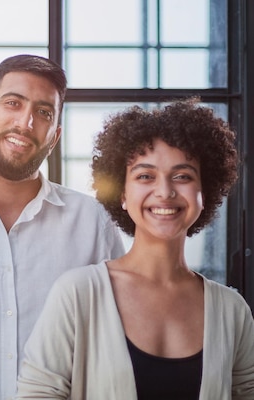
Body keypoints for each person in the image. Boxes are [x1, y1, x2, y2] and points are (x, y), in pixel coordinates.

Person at [16, 99, 254, 399]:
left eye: (182, 176)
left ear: (203, 192)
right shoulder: (78, 294)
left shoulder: (232, 311)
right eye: (145, 176)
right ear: (123, 193)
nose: (165, 191)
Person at [0, 54, 125, 400]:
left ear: (55, 136)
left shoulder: (93, 223)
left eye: (44, 113)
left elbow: (115, 343)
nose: (26, 122)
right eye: (12, 103)